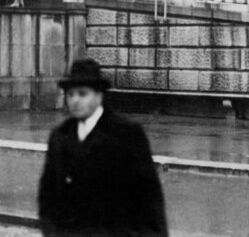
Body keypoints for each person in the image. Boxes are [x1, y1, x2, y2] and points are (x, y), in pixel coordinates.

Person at [38, 58, 167, 237]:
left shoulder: (126, 133)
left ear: (99, 96)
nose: (75, 100)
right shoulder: (60, 136)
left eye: (82, 94)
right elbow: (48, 196)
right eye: (70, 94)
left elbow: (149, 198)